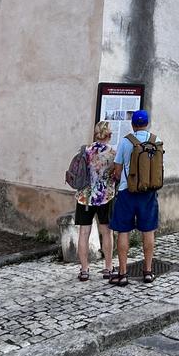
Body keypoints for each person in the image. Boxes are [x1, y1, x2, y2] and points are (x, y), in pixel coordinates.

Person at [109, 109, 159, 286]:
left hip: (127, 191)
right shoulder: (156, 141)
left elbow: (117, 168)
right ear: (147, 123)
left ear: (133, 124)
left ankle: (122, 273)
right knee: (148, 231)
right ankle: (148, 271)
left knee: (123, 231)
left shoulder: (125, 142)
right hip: (149, 192)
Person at [74, 121, 116, 282]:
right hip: (105, 196)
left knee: (84, 233)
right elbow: (116, 174)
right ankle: (108, 267)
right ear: (109, 135)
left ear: (95, 134)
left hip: (84, 197)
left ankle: (84, 270)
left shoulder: (86, 151)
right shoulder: (112, 153)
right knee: (106, 231)